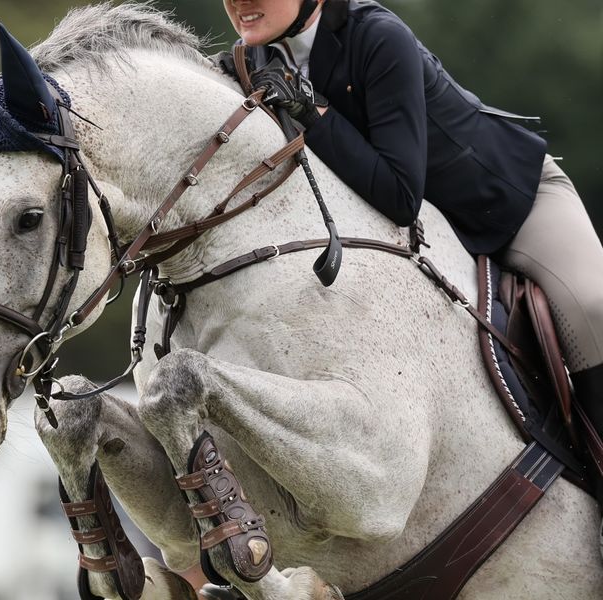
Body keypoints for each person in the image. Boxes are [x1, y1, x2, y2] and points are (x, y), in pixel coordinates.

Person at [218, 0, 603, 470]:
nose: (239, 2)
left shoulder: (378, 36)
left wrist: (311, 111)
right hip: (431, 236)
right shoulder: (253, 58)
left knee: (594, 307)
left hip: (509, 204)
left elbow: (401, 197)